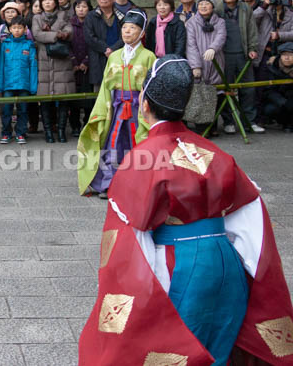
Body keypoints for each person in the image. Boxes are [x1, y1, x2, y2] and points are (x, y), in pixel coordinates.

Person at [78, 55, 293, 366]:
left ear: (145, 105)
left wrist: (143, 297)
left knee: (180, 348)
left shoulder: (142, 159)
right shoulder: (215, 153)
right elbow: (252, 222)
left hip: (176, 263)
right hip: (225, 261)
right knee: (219, 346)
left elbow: (129, 239)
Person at [78, 10, 156, 197]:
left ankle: (138, 185)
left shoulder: (149, 56)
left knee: (138, 143)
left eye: (133, 28)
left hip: (139, 108)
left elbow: (152, 86)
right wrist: (104, 109)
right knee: (113, 143)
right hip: (117, 107)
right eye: (125, 28)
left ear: (142, 33)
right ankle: (109, 183)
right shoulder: (114, 56)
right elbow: (106, 86)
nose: (127, 31)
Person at [220, 0, 263, 134]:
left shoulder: (245, 8)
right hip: (224, 56)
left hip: (243, 54)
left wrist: (252, 48)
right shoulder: (218, 9)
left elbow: (252, 30)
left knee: (248, 89)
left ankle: (248, 121)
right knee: (226, 88)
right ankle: (228, 121)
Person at [32, 0, 75, 143]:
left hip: (61, 61)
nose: (48, 2)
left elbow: (70, 32)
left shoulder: (63, 15)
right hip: (43, 60)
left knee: (63, 98)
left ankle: (62, 131)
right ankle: (48, 132)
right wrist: (57, 35)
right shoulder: (37, 17)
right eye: (45, 0)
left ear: (56, 2)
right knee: (45, 100)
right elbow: (37, 34)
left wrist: (52, 33)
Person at [0, 18, 38, 144]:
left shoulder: (29, 45)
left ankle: (20, 132)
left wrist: (33, 86)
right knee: (6, 109)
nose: (17, 30)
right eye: (14, 28)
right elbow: (0, 65)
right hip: (8, 84)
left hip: (24, 84)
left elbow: (33, 66)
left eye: (20, 28)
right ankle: (6, 133)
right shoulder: (5, 45)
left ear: (25, 30)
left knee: (23, 110)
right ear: (10, 29)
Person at [84, 0, 125, 91]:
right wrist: (105, 49)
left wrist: (113, 49)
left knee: (119, 91)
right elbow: (89, 37)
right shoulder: (91, 16)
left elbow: (125, 36)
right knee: (99, 93)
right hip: (98, 59)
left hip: (118, 58)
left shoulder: (121, 16)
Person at [69, 0, 93, 137]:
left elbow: (94, 43)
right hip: (73, 66)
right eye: (78, 7)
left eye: (84, 7)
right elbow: (66, 44)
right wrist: (73, 61)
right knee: (73, 99)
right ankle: (74, 126)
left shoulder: (92, 23)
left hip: (89, 66)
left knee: (88, 99)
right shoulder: (69, 24)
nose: (81, 9)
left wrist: (86, 61)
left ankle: (87, 124)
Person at [255, 0, 293, 64]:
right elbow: (251, 21)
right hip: (264, 52)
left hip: (282, 53)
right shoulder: (264, 11)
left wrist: (279, 35)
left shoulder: (290, 15)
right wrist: (263, 7)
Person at [259, 41, 293, 130]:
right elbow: (268, 91)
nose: (287, 57)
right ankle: (283, 121)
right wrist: (282, 102)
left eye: (290, 54)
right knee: (271, 109)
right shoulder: (272, 67)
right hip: (278, 101)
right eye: (284, 54)